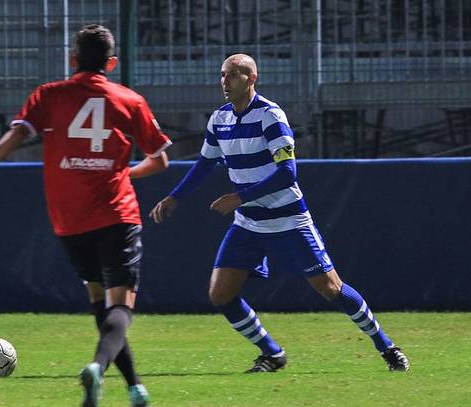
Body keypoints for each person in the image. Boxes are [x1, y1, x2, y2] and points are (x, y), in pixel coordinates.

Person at [0, 24, 172, 407]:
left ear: (73, 60)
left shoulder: (49, 96)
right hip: (115, 214)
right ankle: (97, 368)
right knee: (121, 308)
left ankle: (135, 388)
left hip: (69, 221)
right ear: (112, 62)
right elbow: (160, 159)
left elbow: (15, 136)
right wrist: (125, 173)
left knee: (98, 300)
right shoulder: (130, 100)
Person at [150, 53, 409, 373]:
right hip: (249, 223)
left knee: (331, 289)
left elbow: (288, 173)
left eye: (232, 75)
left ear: (251, 79)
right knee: (220, 294)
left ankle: (387, 346)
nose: (224, 82)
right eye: (222, 75)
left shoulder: (271, 116)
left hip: (288, 220)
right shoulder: (219, 118)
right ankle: (272, 353)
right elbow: (205, 163)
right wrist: (175, 197)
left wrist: (239, 197)